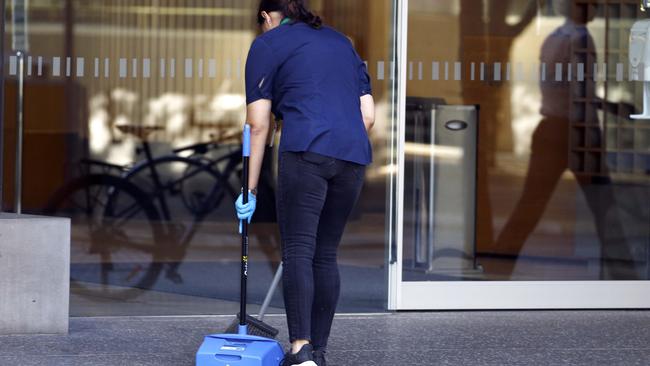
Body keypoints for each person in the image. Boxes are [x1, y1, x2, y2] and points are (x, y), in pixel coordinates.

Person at [235, 0, 375, 365]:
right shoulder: (341, 42)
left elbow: (258, 125)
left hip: (305, 151)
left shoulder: (267, 45)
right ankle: (319, 353)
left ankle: (300, 349)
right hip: (352, 155)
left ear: (267, 17)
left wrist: (248, 189)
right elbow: (368, 115)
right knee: (325, 253)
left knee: (298, 249)